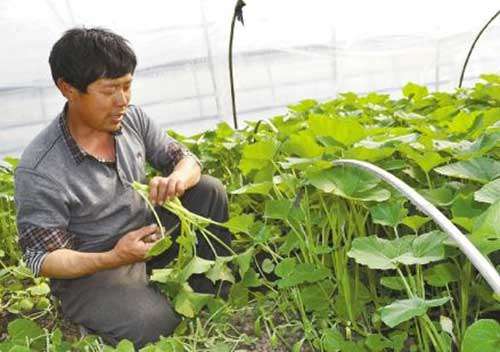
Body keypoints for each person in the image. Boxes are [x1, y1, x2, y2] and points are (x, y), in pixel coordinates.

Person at [14, 27, 231, 348]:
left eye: (127, 86)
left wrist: (176, 180)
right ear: (68, 89)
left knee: (208, 190)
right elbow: (41, 260)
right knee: (154, 324)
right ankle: (114, 309)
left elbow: (187, 160)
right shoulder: (40, 169)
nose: (122, 100)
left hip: (147, 236)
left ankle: (208, 288)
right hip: (93, 269)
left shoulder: (132, 119)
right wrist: (114, 257)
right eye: (109, 90)